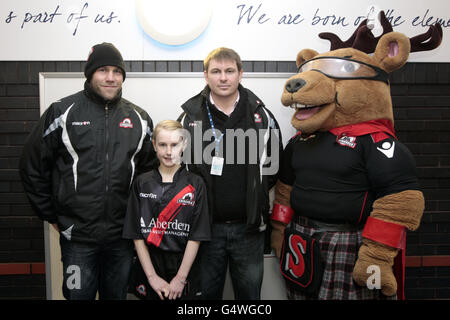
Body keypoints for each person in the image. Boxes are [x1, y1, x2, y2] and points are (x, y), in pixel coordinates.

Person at [19, 42, 156, 300]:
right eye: (103, 70)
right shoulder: (61, 112)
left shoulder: (140, 118)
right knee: (77, 296)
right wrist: (53, 215)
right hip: (77, 240)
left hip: (122, 240)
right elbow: (32, 166)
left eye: (117, 71)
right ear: (90, 73)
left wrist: (138, 219)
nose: (110, 77)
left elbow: (148, 177)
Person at [178, 47, 282, 300]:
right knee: (202, 299)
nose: (223, 78)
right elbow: (179, 170)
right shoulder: (189, 117)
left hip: (248, 231)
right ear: (206, 75)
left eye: (229, 71)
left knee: (250, 298)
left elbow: (274, 168)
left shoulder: (262, 116)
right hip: (204, 231)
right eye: (216, 71)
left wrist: (254, 196)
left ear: (240, 74)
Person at [123, 120, 211, 300]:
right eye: (163, 145)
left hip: (184, 267)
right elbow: (136, 235)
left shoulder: (196, 184)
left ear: (184, 144)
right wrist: (152, 277)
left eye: (174, 145)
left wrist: (180, 278)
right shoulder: (141, 183)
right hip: (150, 265)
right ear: (154, 145)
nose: (169, 152)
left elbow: (197, 236)